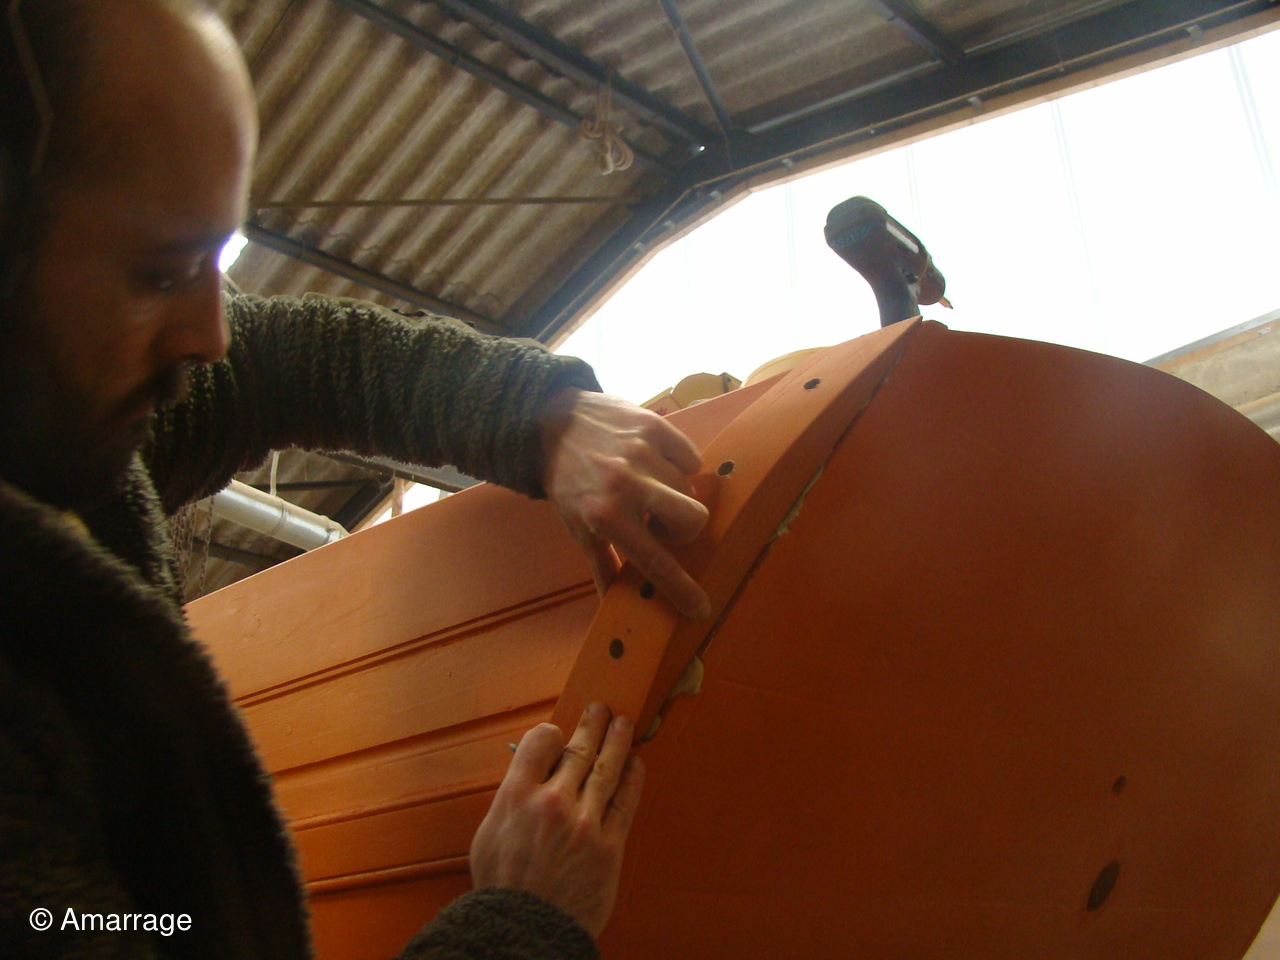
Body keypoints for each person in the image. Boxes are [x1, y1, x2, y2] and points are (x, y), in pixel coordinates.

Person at [0, 0, 711, 956]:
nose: (209, 335)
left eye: (216, 257)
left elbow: (287, 359)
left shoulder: (69, 426)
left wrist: (537, 413)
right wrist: (522, 920)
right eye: (160, 273)